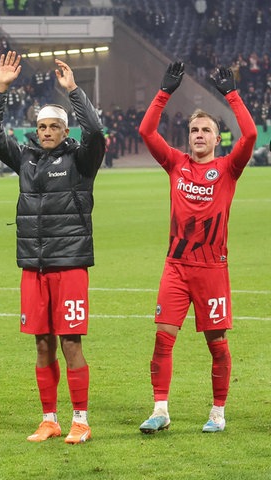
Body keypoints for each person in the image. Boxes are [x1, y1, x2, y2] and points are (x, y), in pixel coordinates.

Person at [0, 51, 105, 444]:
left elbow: (97, 134)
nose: (47, 132)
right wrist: (0, 89)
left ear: (65, 131)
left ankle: (80, 420)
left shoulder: (81, 161)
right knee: (41, 342)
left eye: (54, 126)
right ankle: (49, 419)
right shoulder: (26, 159)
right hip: (33, 267)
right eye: (42, 126)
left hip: (69, 266)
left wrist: (74, 93)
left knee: (70, 342)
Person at [138, 62, 257, 434]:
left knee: (217, 344)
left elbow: (250, 135)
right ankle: (160, 409)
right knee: (163, 337)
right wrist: (163, 93)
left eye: (206, 129)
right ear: (187, 137)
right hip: (176, 266)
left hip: (212, 269)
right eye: (194, 130)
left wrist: (231, 96)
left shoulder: (227, 169)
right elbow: (146, 130)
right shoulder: (175, 164)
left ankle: (218, 412)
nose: (199, 134)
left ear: (217, 138)